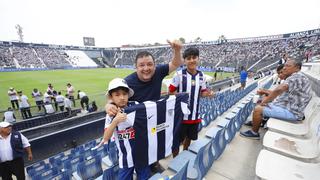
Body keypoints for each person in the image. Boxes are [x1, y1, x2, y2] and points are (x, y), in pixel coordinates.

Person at [240, 57, 312, 139]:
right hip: (289, 108)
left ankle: (254, 133)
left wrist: (265, 101)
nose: (284, 68)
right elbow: (280, 93)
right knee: (261, 101)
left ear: (297, 68)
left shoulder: (297, 76)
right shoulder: (296, 76)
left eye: (288, 66)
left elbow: (279, 89)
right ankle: (256, 122)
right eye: (285, 65)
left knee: (258, 109)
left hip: (293, 112)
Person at [98, 78, 150, 180]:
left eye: (124, 94)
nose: (122, 97)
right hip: (125, 157)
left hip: (142, 154)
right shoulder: (111, 114)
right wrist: (115, 121)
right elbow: (105, 138)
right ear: (111, 97)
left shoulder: (136, 104)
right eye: (117, 95)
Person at [169, 47, 214, 157]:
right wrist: (181, 97)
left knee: (189, 138)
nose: (192, 60)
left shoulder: (202, 76)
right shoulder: (179, 75)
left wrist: (209, 94)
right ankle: (175, 159)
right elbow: (171, 91)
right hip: (181, 116)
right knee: (177, 141)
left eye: (194, 57)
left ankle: (184, 157)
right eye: (188, 58)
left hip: (194, 115)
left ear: (198, 59)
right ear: (184, 61)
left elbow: (202, 93)